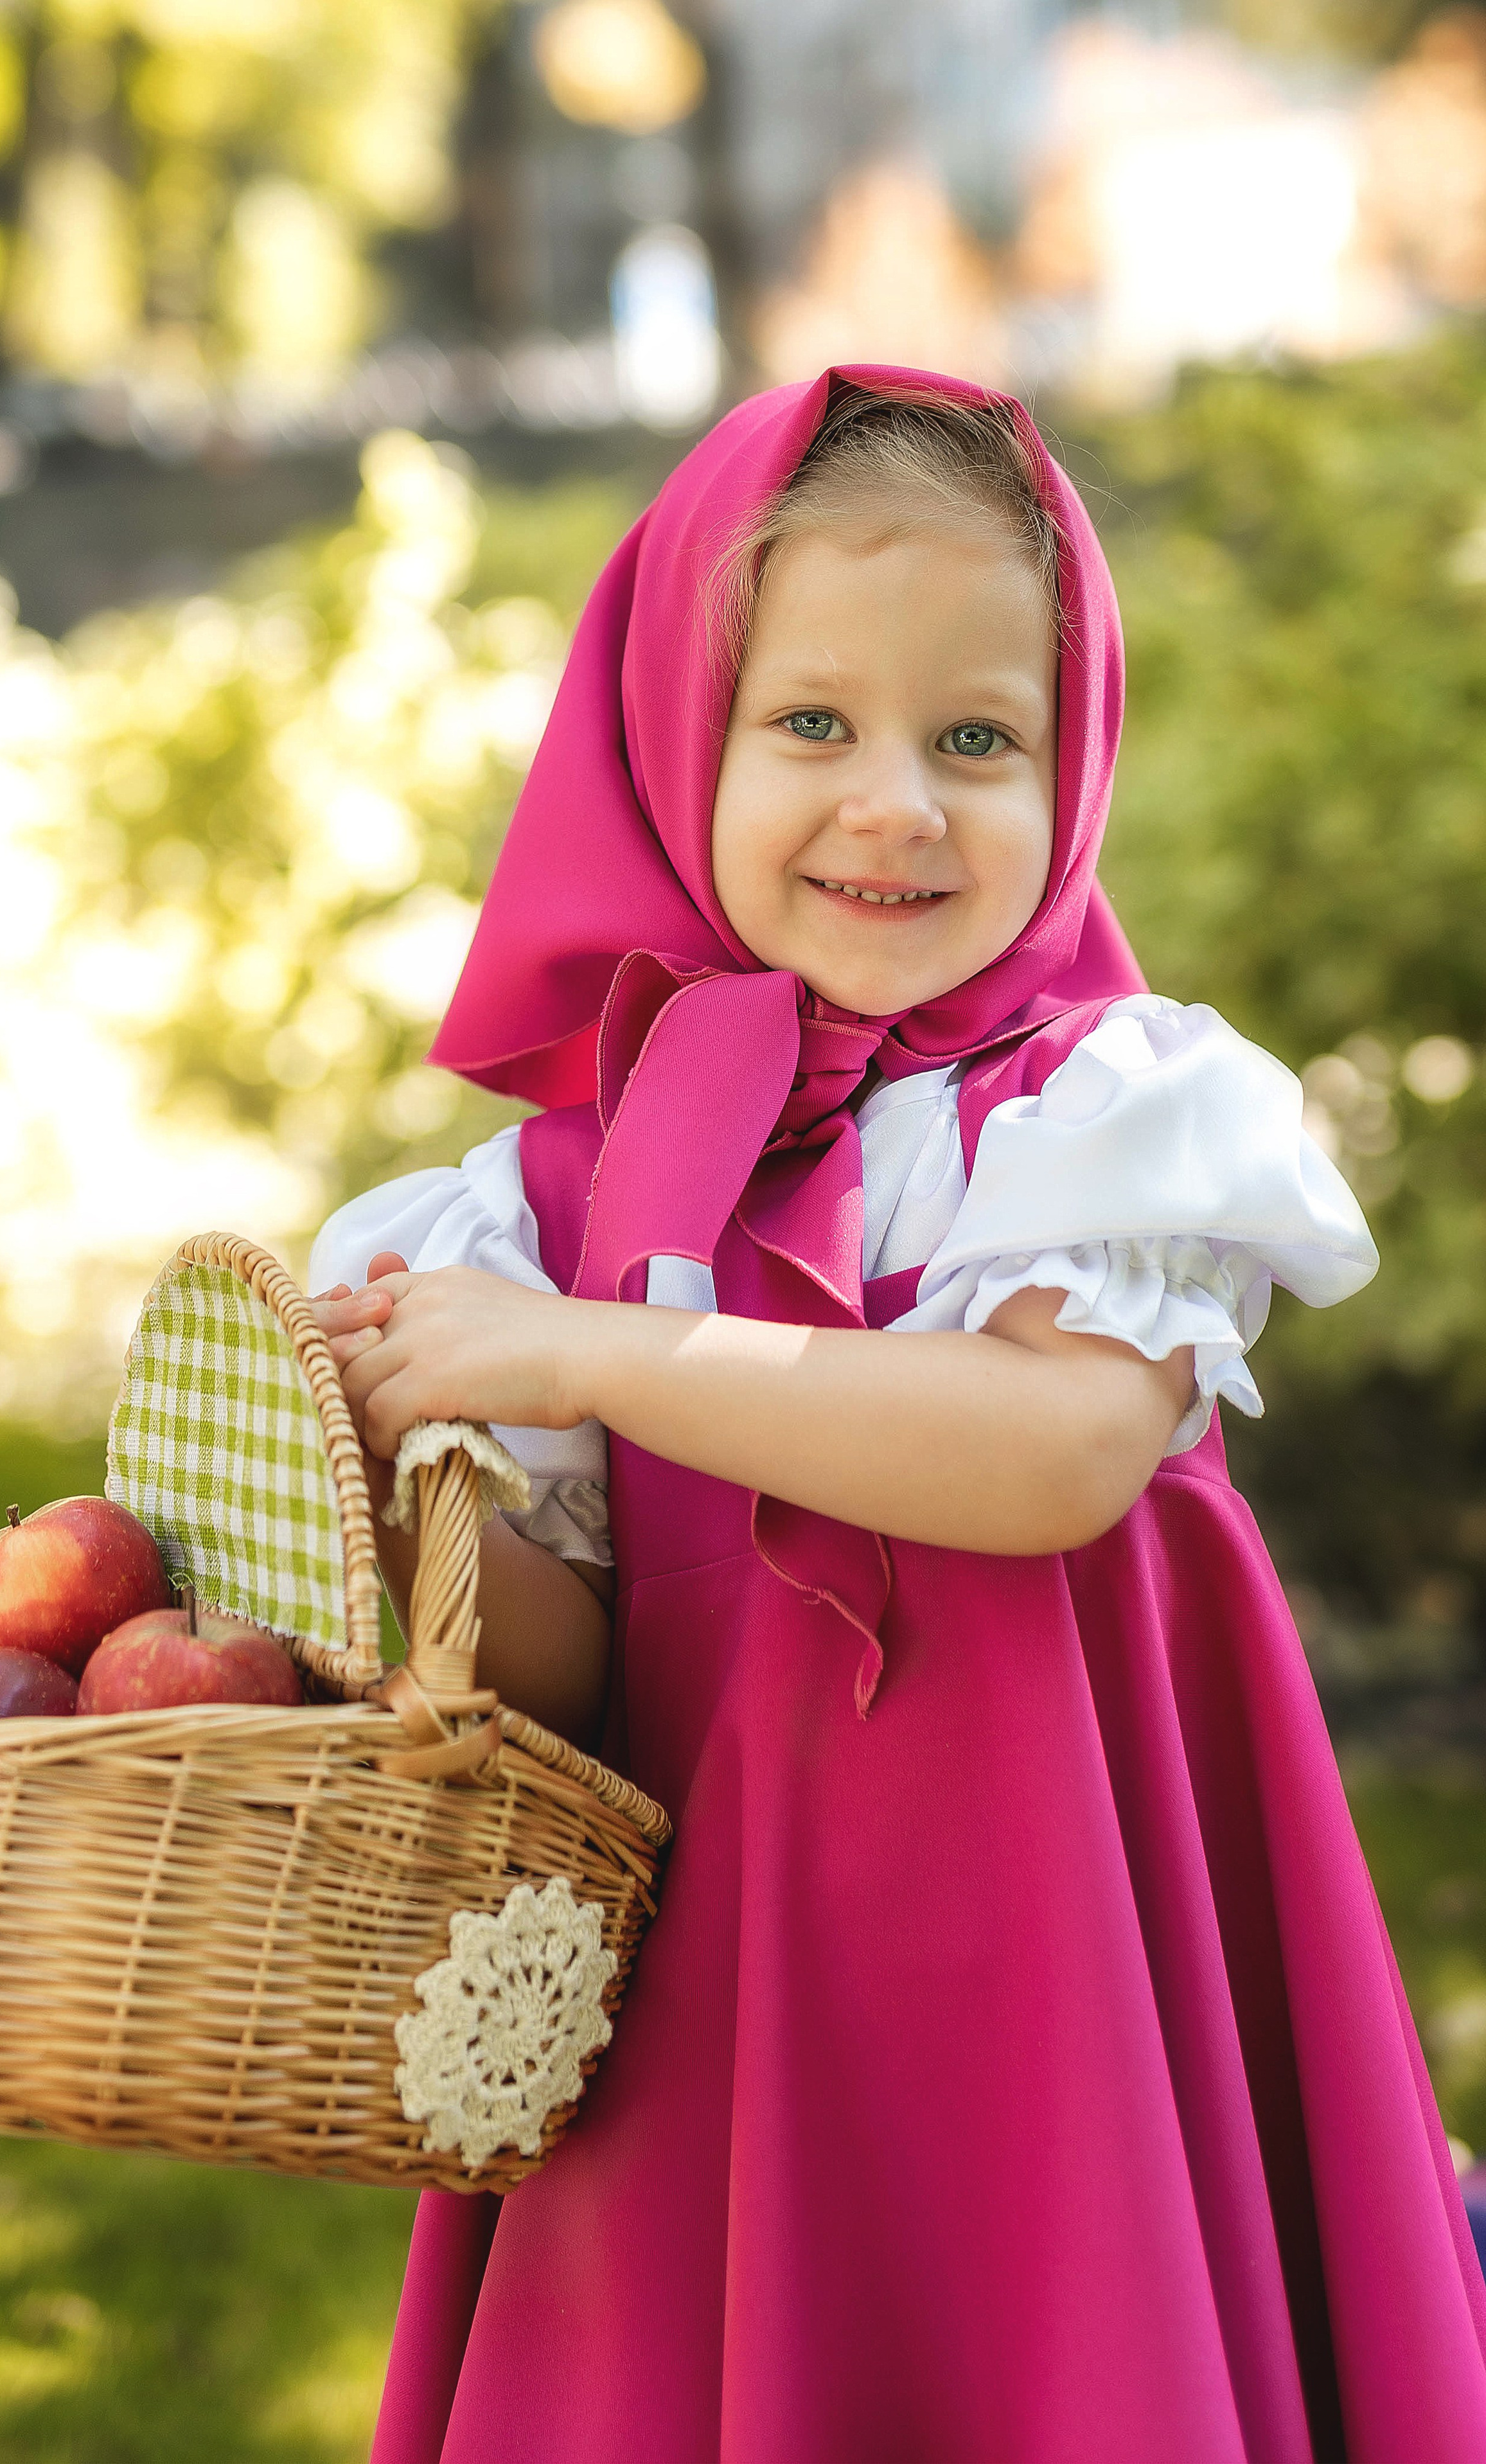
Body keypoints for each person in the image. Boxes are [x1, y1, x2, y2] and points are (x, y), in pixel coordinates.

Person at [309, 369, 1486, 2461]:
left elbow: (1046, 1454)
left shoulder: (1105, 1117)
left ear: (1074, 760)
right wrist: (422, 1483)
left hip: (1066, 1979)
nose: (898, 804)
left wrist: (584, 1356)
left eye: (979, 737)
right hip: (726, 2017)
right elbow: (574, 1662)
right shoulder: (553, 1204)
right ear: (681, 739)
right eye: (812, 724)